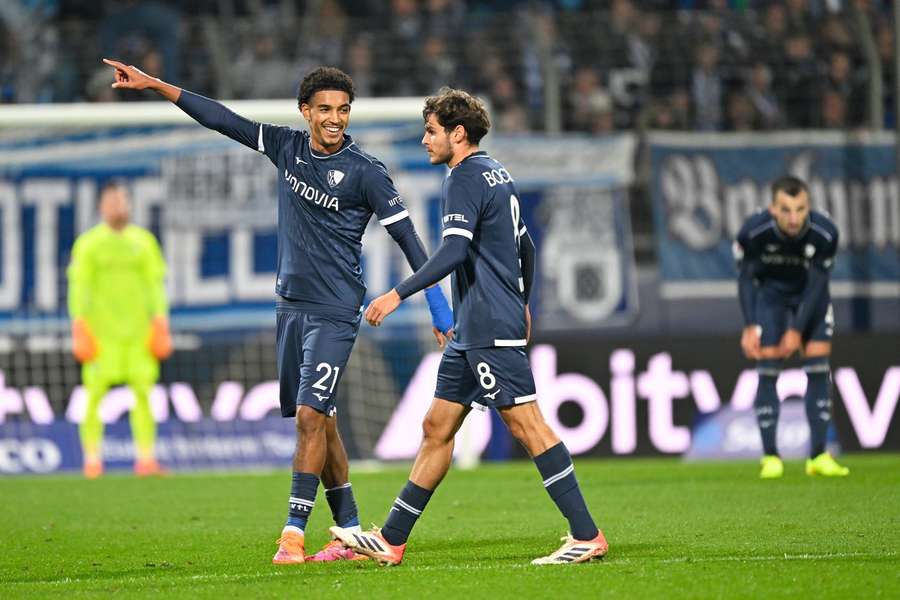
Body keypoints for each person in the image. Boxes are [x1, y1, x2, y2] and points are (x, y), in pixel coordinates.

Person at [101, 59, 454, 563]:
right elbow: (223, 119)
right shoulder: (286, 147)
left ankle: (293, 532)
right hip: (290, 308)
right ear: (305, 111)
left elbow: (411, 241)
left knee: (311, 415)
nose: (336, 119)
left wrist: (439, 309)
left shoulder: (367, 172)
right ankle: (349, 529)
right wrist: (157, 85)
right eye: (325, 109)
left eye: (344, 110)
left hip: (336, 309)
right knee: (322, 420)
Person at [330, 87, 608, 566]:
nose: (424, 140)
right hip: (475, 324)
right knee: (436, 426)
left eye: (432, 131)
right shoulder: (497, 172)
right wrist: (522, 300)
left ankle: (586, 534)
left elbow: (455, 251)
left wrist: (398, 294)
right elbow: (528, 248)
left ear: (458, 134)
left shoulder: (463, 178)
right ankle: (393, 540)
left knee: (528, 425)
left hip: (486, 322)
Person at [734, 175, 849, 479]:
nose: (795, 217)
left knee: (819, 367)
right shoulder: (754, 232)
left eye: (800, 209)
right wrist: (748, 325)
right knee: (768, 367)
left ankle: (819, 456)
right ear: (773, 209)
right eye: (786, 210)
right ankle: (771, 456)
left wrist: (797, 329)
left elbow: (817, 285)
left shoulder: (825, 234)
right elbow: (746, 278)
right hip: (771, 298)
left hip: (811, 298)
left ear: (808, 206)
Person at [67, 181, 172, 479]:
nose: (119, 207)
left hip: (138, 334)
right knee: (93, 394)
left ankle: (146, 459)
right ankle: (92, 460)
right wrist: (79, 327)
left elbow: (155, 286)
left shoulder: (144, 242)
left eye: (123, 201)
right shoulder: (88, 244)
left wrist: (161, 323)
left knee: (144, 394)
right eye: (113, 201)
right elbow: (79, 288)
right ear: (101, 206)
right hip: (102, 334)